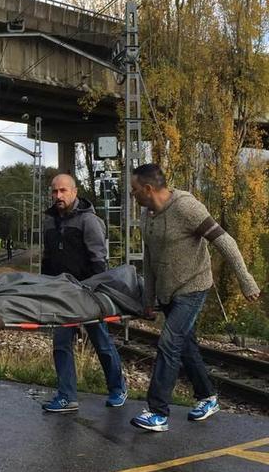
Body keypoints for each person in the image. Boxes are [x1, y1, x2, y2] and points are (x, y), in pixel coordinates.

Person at [129, 164, 261, 432]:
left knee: (168, 343)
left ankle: (157, 413)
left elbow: (226, 242)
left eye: (134, 190)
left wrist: (246, 280)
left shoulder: (186, 207)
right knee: (185, 346)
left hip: (193, 286)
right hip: (168, 290)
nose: (132, 195)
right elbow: (150, 260)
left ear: (148, 189)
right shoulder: (146, 215)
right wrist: (149, 299)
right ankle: (208, 397)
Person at [40, 174, 127, 413]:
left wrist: (97, 292)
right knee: (61, 344)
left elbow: (99, 259)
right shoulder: (49, 222)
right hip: (60, 294)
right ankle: (67, 396)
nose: (58, 196)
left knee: (101, 342)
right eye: (55, 191)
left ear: (74, 192)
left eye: (63, 191)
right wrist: (45, 288)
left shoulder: (89, 222)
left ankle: (118, 387)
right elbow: (47, 258)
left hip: (87, 293)